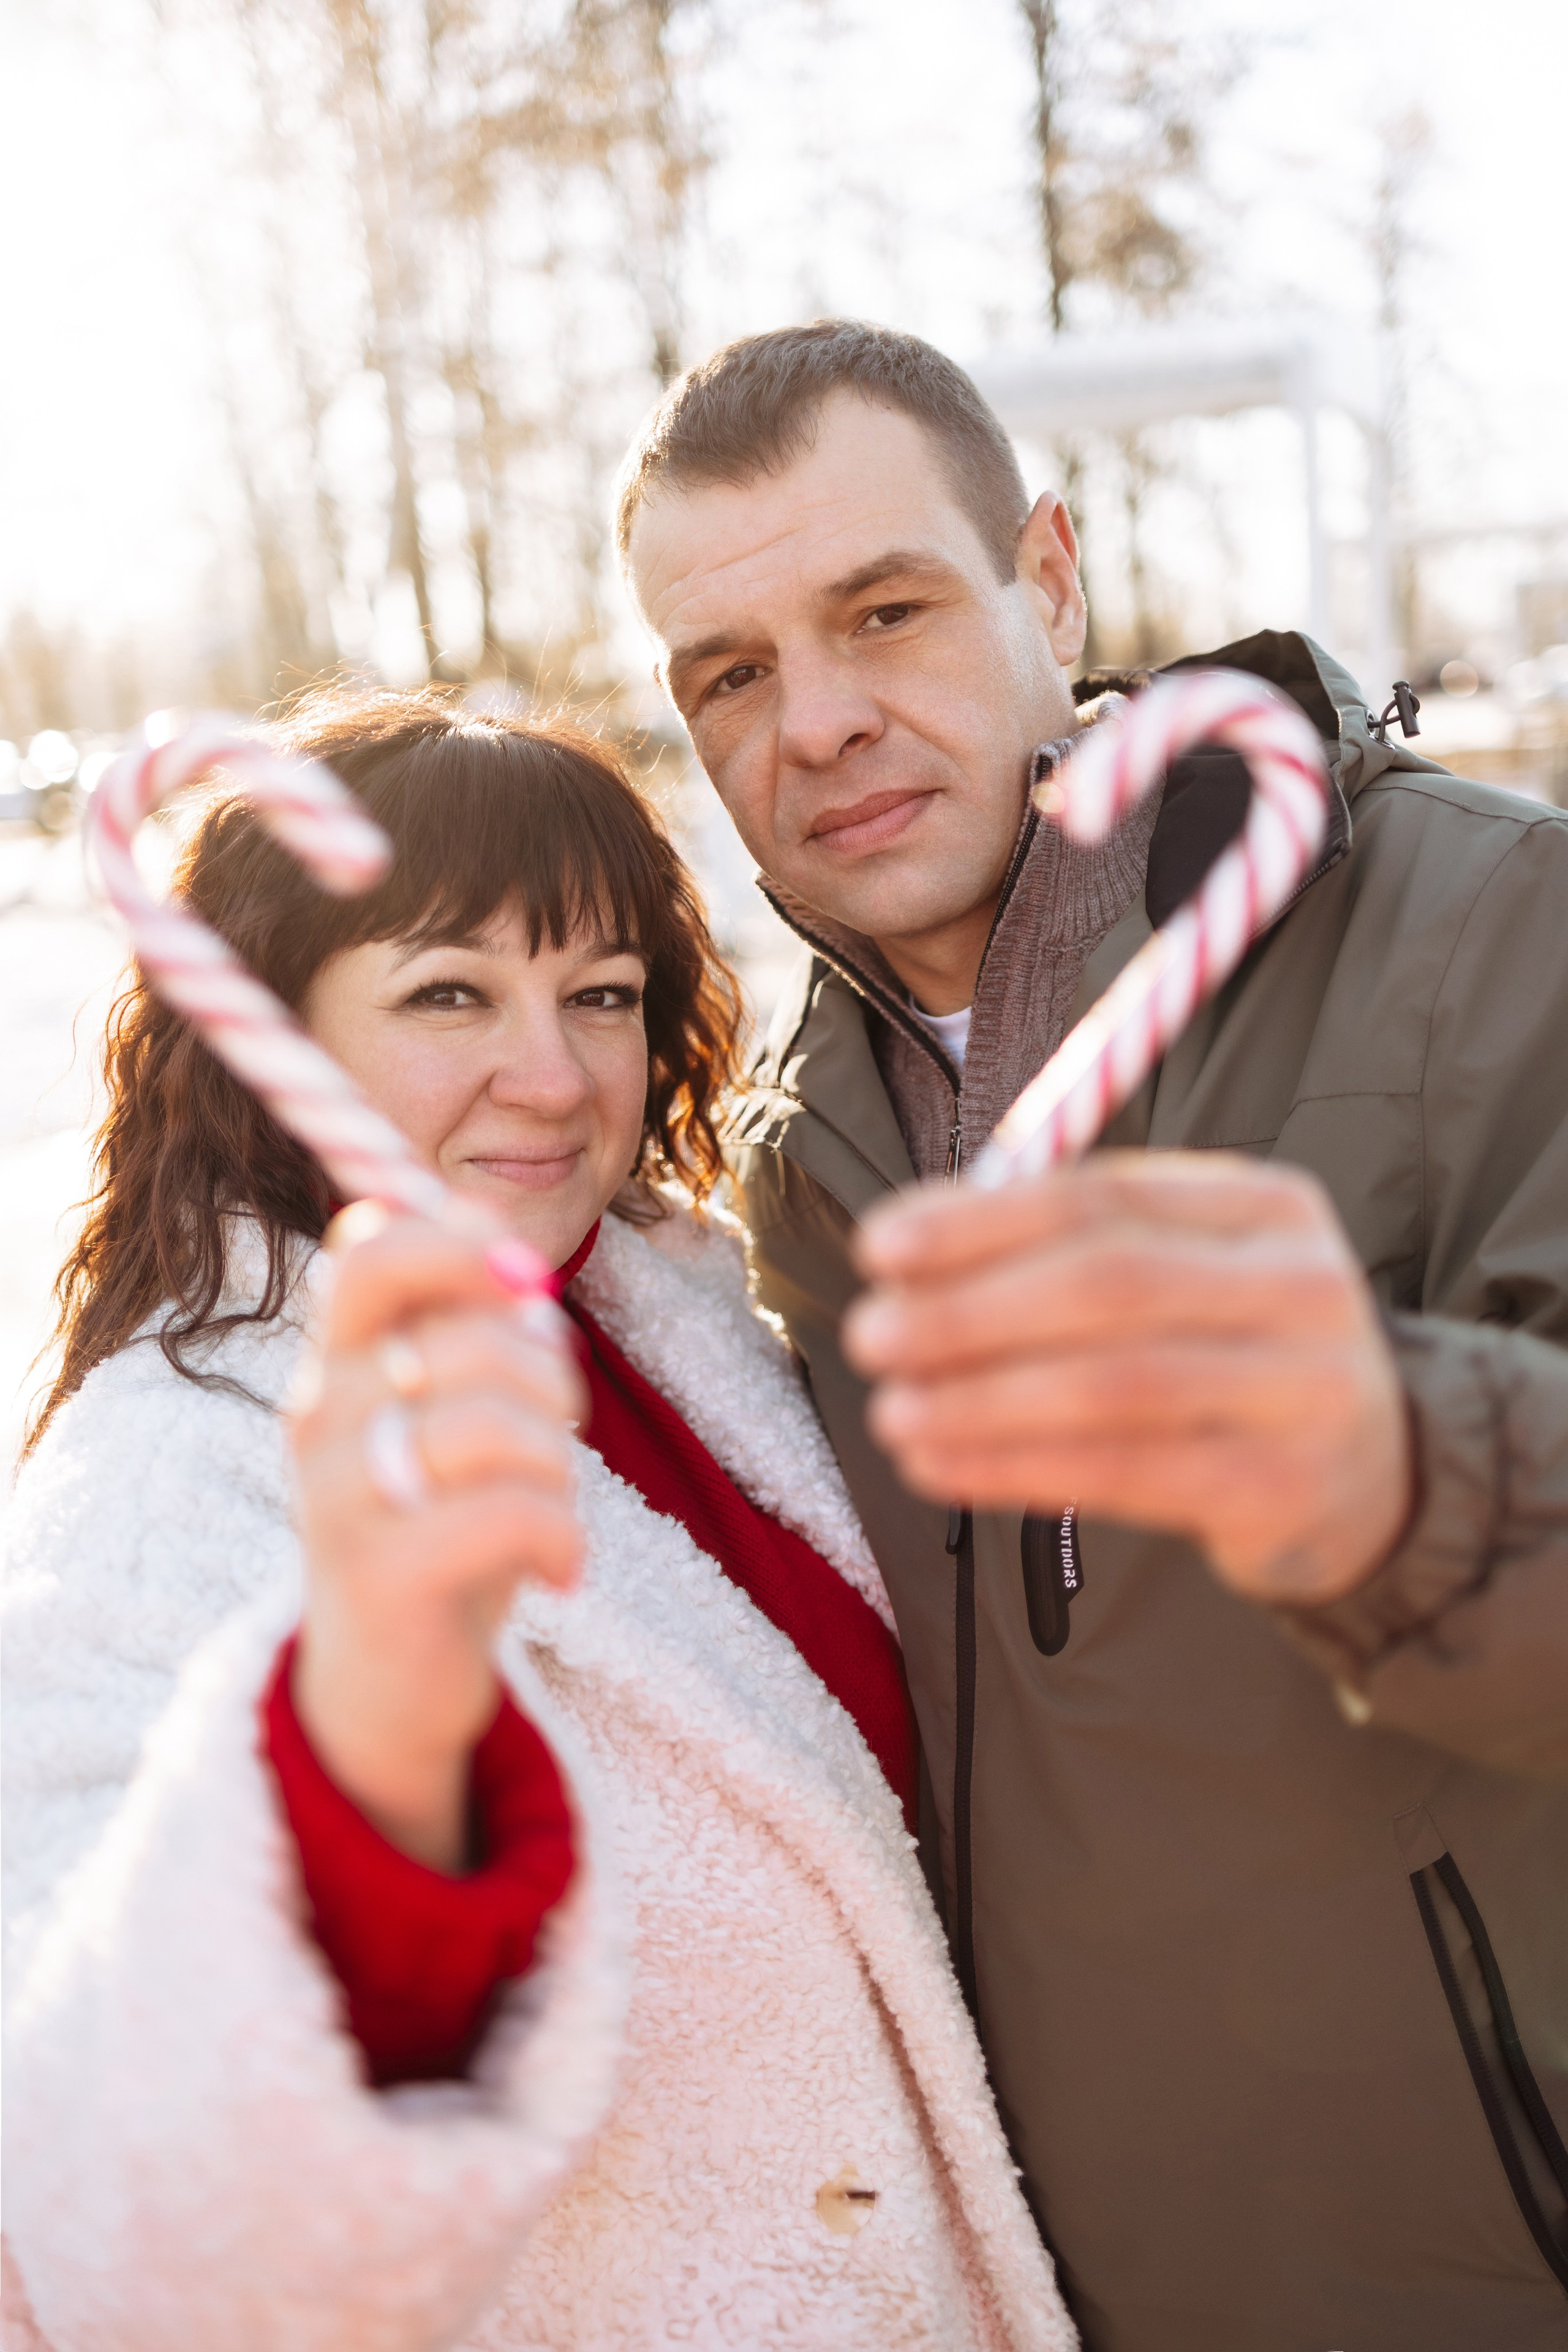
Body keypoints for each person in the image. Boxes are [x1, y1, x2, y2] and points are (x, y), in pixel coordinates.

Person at [617, 318, 1568, 2350]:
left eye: (886, 609)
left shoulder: (1489, 933)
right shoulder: (800, 1165)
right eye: (733, 672)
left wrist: (1391, 1467)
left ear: (1047, 576)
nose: (822, 722)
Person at [1, 690, 1072, 2352]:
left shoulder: (692, 1321)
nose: (556, 1075)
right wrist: (361, 1749)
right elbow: (92, 2197)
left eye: (602, 995)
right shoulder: (166, 1479)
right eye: (450, 991)